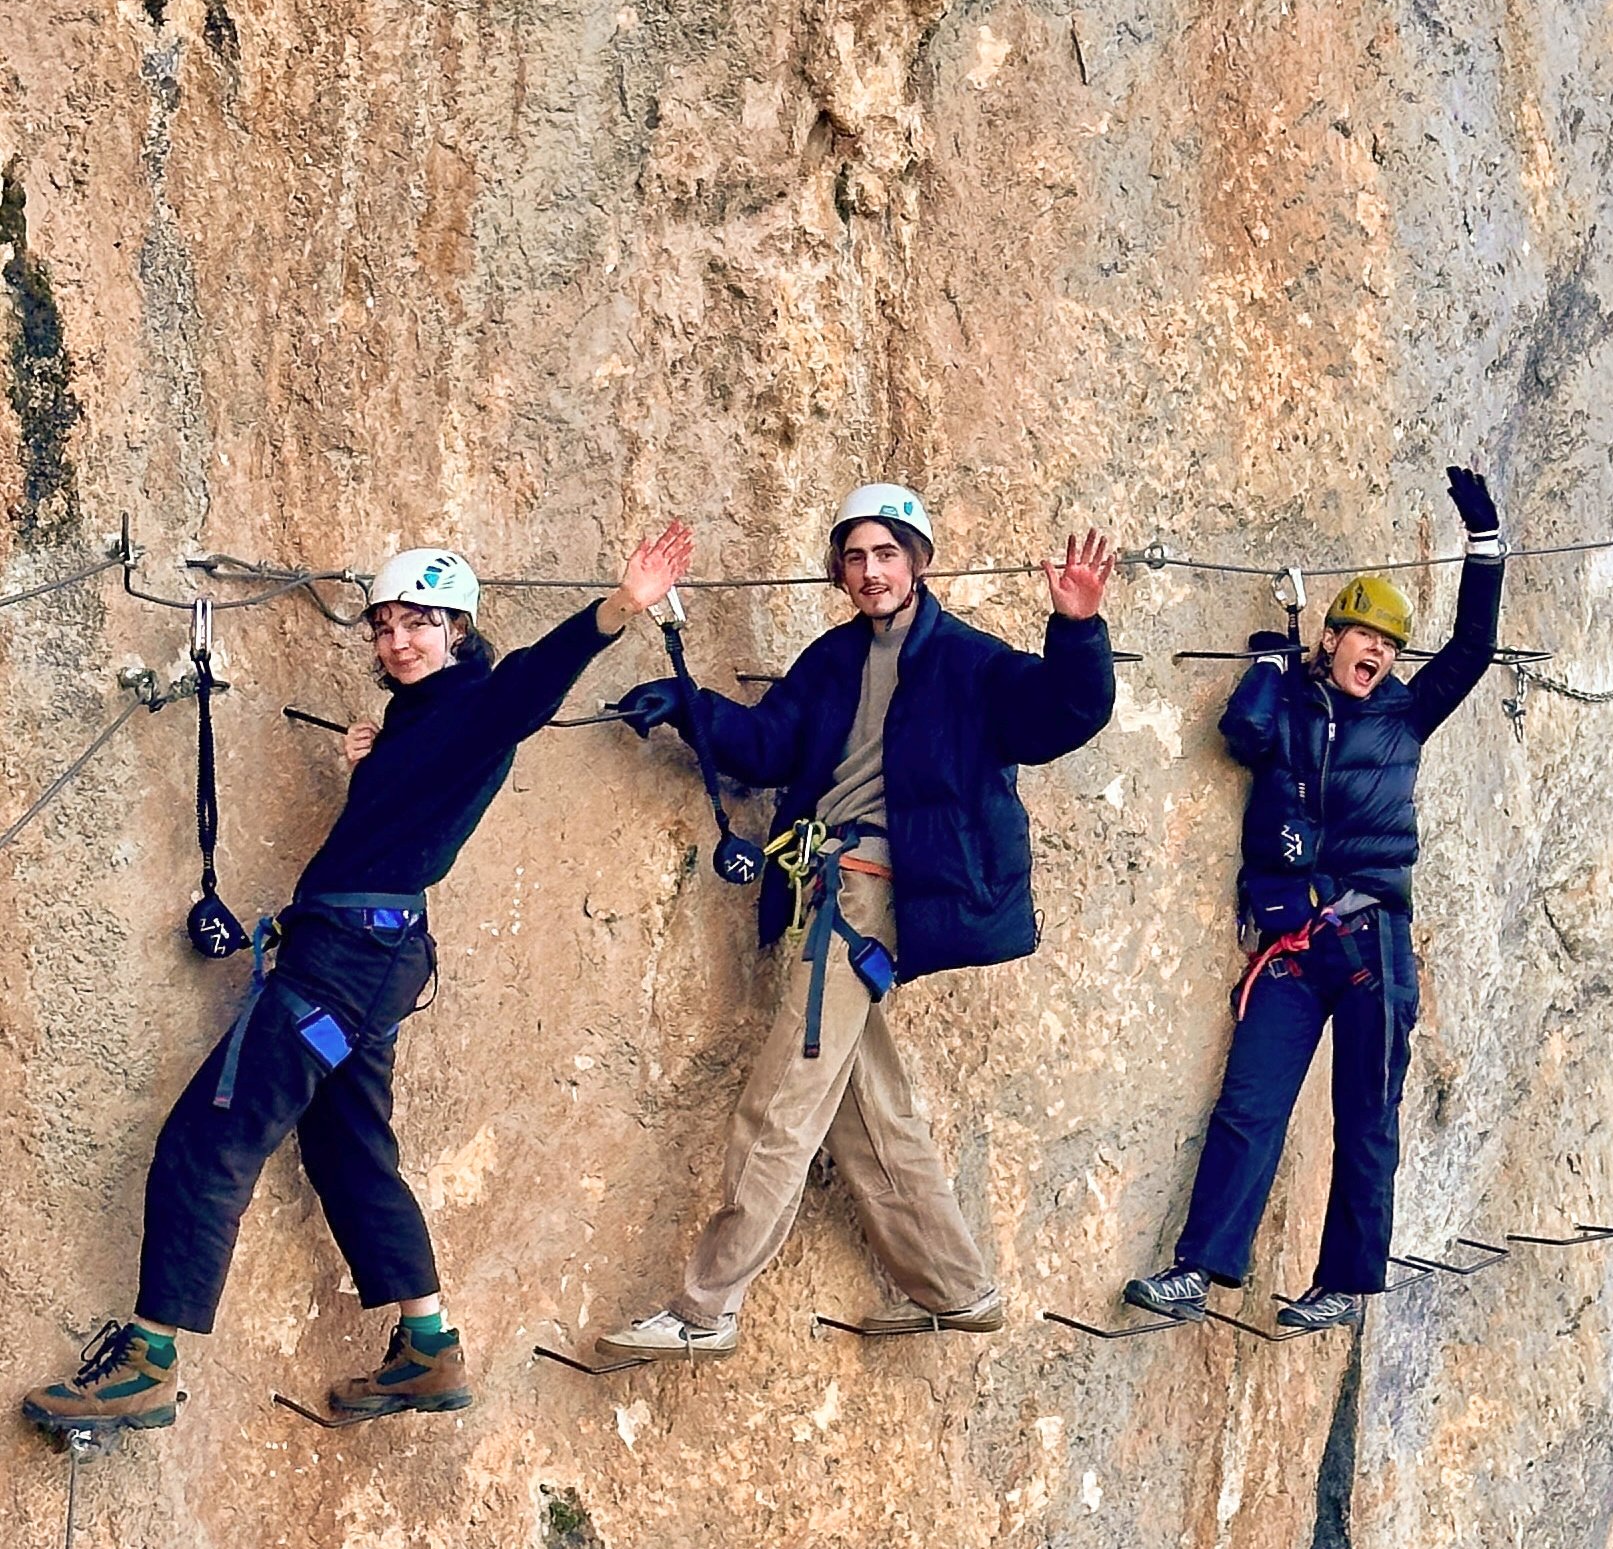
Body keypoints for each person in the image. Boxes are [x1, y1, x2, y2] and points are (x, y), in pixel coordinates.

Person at [22, 524, 695, 1435]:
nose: (398, 640)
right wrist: (369, 767)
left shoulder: (480, 702)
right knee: (346, 1147)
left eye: (419, 622)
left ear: (459, 627)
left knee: (209, 1135)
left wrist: (619, 607)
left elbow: (534, 686)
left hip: (346, 962)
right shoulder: (419, 721)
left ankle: (148, 1361)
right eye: (384, 627)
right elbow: (401, 816)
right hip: (365, 959)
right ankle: (428, 1344)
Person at [600, 485, 1116, 1353]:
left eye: (886, 554)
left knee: (781, 1105)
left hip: (866, 895)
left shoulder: (970, 664)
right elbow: (771, 745)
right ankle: (956, 1288)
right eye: (855, 557)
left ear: (918, 561)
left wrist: (1076, 630)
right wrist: (691, 707)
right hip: (827, 889)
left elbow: (1064, 713)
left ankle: (705, 1309)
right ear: (839, 571)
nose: (871, 572)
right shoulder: (834, 659)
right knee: (866, 1109)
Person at [1123, 468, 1505, 1335]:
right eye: (1363, 637)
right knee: (1249, 1104)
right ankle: (1198, 1270)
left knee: (1366, 1118)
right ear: (1330, 639)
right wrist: (1268, 664)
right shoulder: (1287, 709)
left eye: (1390, 646)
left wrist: (1484, 544)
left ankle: (1344, 1285)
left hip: (1374, 943)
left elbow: (1474, 649)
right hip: (1293, 945)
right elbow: (1242, 733)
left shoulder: (1408, 714)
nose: (1379, 654)